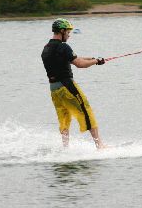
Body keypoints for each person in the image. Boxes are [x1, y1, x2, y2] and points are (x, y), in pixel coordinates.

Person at [41, 18, 107, 149]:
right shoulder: (63, 47)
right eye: (68, 32)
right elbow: (80, 64)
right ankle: (100, 145)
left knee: (64, 116)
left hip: (54, 90)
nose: (69, 35)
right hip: (67, 86)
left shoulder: (46, 48)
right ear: (62, 31)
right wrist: (96, 62)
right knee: (86, 110)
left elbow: (73, 59)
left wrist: (94, 59)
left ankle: (65, 148)